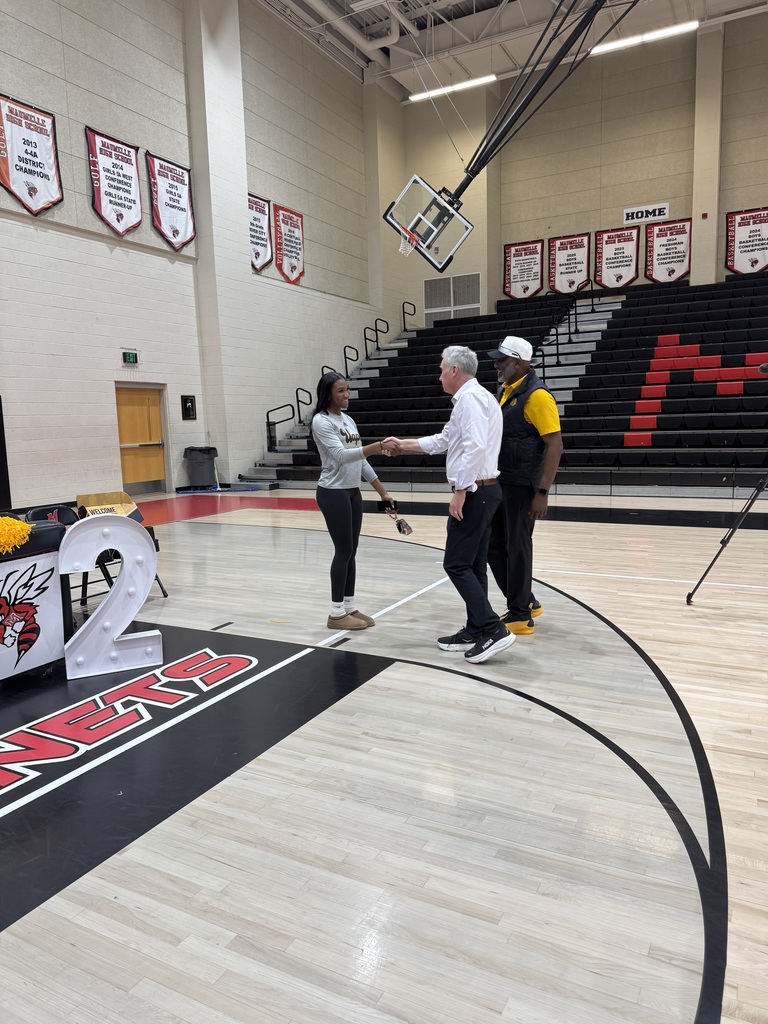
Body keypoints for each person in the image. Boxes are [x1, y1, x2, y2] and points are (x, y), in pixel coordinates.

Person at [385, 346, 515, 665]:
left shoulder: (470, 400)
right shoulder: (477, 398)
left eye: (442, 369)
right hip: (485, 490)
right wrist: (406, 445)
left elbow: (475, 446)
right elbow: (445, 440)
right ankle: (475, 629)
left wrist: (460, 488)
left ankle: (492, 629)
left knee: (455, 564)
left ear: (455, 370)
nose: (439, 374)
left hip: (474, 490)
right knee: (472, 564)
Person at [486, 336, 563, 635]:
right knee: (494, 545)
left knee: (517, 547)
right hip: (503, 480)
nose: (496, 364)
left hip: (522, 485)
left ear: (517, 362)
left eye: (501, 360)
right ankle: (526, 600)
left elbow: (554, 446)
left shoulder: (538, 396)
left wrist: (542, 492)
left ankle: (519, 615)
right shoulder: (506, 390)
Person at [311, 371, 397, 631]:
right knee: (344, 550)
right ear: (328, 394)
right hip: (332, 492)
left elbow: (360, 461)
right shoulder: (321, 421)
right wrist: (379, 445)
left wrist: (382, 492)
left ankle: (348, 607)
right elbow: (340, 456)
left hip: (351, 491)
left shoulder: (348, 420)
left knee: (352, 551)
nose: (347, 394)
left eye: (347, 389)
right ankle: (336, 614)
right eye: (341, 391)